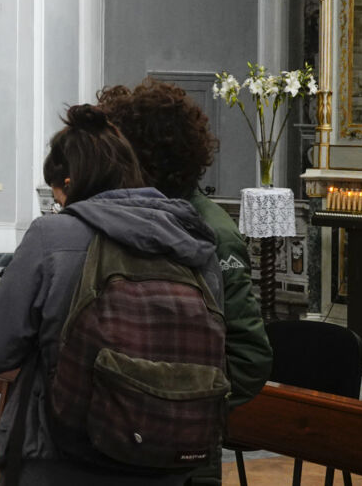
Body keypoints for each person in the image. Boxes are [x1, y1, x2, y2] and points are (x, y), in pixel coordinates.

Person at [0, 104, 223, 485]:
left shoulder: (52, 236)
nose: (59, 207)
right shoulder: (191, 240)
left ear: (70, 183)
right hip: (168, 459)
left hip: (63, 462)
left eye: (58, 198)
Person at [97, 79, 272, 486]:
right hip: (119, 446)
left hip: (183, 456)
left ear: (144, 157)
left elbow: (248, 357)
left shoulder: (212, 232)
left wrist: (174, 402)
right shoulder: (128, 218)